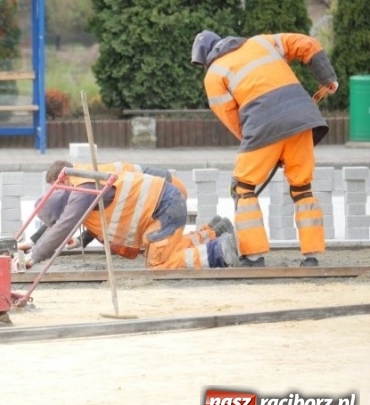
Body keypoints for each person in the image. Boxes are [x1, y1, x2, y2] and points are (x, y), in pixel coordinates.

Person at [191, 30, 338, 267]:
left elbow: (234, 121)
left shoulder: (214, 75)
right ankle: (312, 257)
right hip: (303, 120)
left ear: (206, 56)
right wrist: (327, 77)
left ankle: (254, 256)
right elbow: (307, 43)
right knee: (302, 188)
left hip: (261, 127)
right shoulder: (261, 42)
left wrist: (262, 145)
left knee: (243, 188)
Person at [21, 164, 239, 270]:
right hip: (163, 201)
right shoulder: (86, 181)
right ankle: (212, 234)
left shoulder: (82, 191)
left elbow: (62, 226)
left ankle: (218, 252)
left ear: (64, 180)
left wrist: (35, 255)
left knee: (158, 264)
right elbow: (68, 222)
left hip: (163, 202)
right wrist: (77, 240)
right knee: (163, 248)